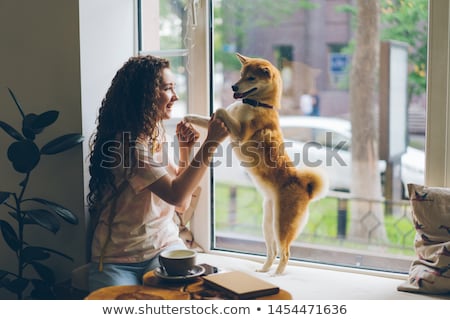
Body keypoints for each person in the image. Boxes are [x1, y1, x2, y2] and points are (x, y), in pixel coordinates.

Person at [86, 55, 229, 292]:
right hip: (116, 259)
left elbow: (180, 206)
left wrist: (186, 150)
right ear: (145, 95)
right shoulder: (128, 147)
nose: (176, 96)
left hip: (163, 247)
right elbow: (177, 196)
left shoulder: (154, 137)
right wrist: (211, 143)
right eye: (168, 89)